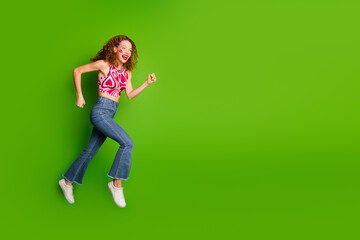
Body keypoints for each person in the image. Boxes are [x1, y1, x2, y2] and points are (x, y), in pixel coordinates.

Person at [58, 35, 156, 208]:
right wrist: (79, 95)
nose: (127, 52)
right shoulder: (104, 64)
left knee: (89, 151)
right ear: (114, 49)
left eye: (130, 50)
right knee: (127, 144)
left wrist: (146, 84)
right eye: (124, 47)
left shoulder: (127, 72)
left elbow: (130, 95)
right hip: (100, 111)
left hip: (110, 114)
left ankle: (66, 182)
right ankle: (116, 185)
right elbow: (77, 71)